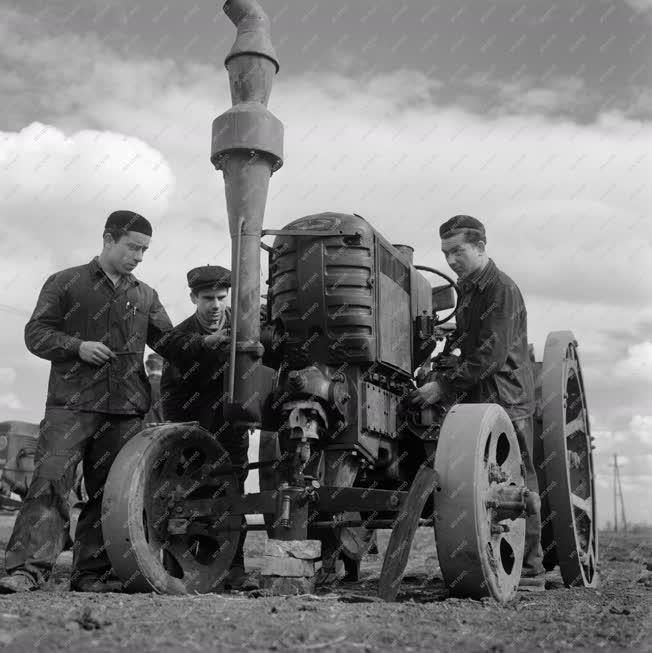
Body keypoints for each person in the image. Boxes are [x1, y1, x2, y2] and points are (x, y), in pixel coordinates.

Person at [0, 210, 222, 594]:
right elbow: (35, 333)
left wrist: (205, 344)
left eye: (145, 250)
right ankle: (26, 571)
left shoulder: (145, 294)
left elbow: (168, 343)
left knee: (109, 495)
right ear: (108, 239)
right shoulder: (65, 282)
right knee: (50, 483)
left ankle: (92, 575)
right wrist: (76, 346)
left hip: (124, 410)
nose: (139, 256)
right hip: (70, 404)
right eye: (133, 247)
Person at [408, 215, 545, 591]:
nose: (451, 260)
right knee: (482, 485)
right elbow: (471, 343)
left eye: (458, 251)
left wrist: (442, 387)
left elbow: (490, 355)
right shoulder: (469, 288)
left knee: (514, 482)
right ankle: (489, 560)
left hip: (506, 396)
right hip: (479, 399)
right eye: (446, 253)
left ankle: (531, 569)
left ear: (481, 247)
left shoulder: (500, 289)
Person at [160, 265, 255, 590]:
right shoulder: (181, 337)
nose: (215, 305)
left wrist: (251, 412)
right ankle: (187, 567)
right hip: (196, 430)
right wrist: (182, 435)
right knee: (193, 497)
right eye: (207, 298)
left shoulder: (245, 327)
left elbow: (258, 370)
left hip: (233, 428)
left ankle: (235, 569)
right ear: (193, 298)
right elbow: (170, 394)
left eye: (220, 297)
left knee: (233, 496)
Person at [143, 352, 164, 424]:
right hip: (161, 430)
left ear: (147, 367)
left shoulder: (141, 384)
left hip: (142, 430)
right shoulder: (165, 386)